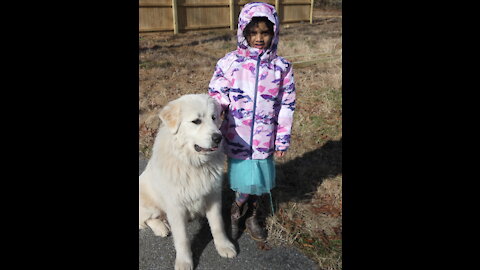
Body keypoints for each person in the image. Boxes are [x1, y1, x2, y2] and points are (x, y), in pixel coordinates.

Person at [208, 2, 296, 243]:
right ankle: (236, 213)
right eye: (253, 32)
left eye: (265, 32)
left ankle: (251, 215)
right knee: (244, 178)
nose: (259, 38)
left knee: (258, 179)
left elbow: (287, 105)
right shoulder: (229, 63)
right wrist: (213, 118)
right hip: (238, 135)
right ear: (243, 31)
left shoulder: (282, 68)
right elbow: (217, 96)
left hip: (265, 136)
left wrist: (282, 138)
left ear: (274, 32)